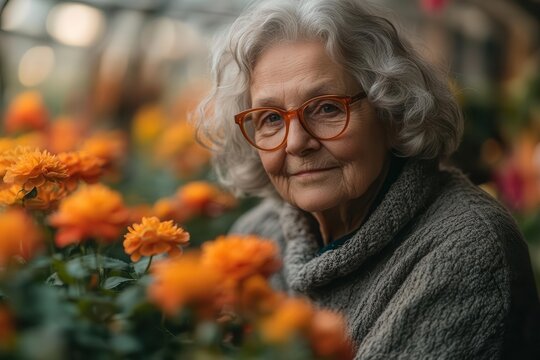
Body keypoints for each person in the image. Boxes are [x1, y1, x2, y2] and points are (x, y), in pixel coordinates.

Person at [195, 0, 540, 358]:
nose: (296, 142)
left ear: (391, 112)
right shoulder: (255, 238)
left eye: (327, 108)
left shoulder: (466, 246)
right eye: (270, 118)